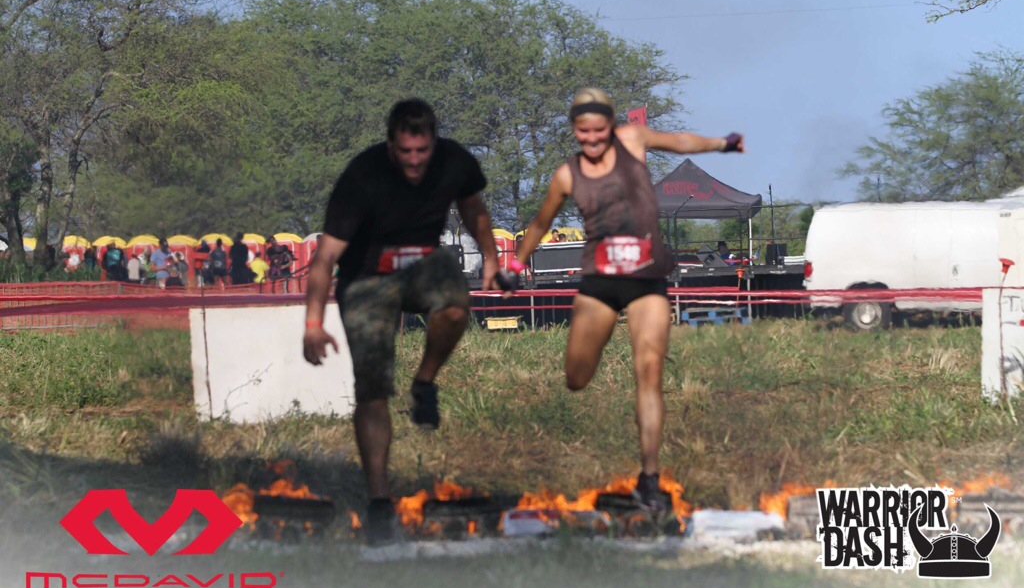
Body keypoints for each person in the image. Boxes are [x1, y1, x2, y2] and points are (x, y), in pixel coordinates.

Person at [509, 88, 744, 511]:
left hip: (646, 280)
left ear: (611, 125)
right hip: (599, 284)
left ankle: (649, 478)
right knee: (576, 377)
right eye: (584, 132)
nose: (593, 139)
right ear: (574, 129)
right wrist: (515, 264)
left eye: (600, 130)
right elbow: (541, 222)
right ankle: (587, 365)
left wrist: (722, 144)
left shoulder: (633, 140)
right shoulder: (566, 175)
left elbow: (681, 141)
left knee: (649, 371)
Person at [303, 98, 503, 545]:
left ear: (434, 143)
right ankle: (379, 501)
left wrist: (490, 256)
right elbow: (326, 257)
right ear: (390, 145)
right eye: (405, 152)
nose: (414, 161)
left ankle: (424, 383)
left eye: (422, 151)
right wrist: (313, 324)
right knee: (372, 390)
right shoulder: (362, 176)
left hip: (422, 264)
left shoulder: (454, 162)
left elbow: (473, 207)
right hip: (366, 279)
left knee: (455, 304)